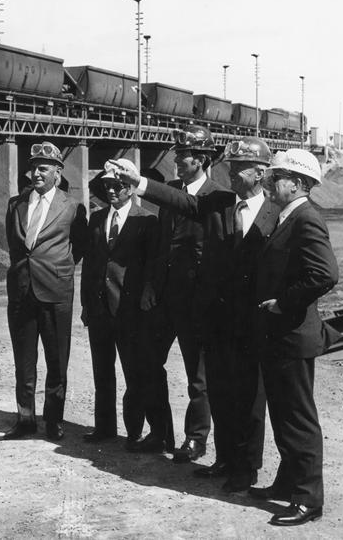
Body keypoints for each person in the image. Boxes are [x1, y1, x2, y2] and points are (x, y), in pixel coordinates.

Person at [106, 135, 277, 494]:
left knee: (239, 393)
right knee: (217, 385)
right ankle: (224, 459)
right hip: (198, 308)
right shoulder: (216, 203)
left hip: (229, 314)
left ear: (261, 174)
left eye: (236, 168)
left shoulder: (265, 211)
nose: (230, 174)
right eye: (228, 168)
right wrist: (139, 182)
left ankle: (236, 460)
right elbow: (180, 203)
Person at [251, 149, 339, 526]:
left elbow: (325, 274)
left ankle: (308, 499)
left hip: (292, 333)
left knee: (298, 418)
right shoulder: (285, 216)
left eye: (278, 177)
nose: (269, 183)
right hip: (278, 336)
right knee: (283, 414)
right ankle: (288, 484)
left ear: (299, 183)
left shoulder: (306, 219)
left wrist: (283, 303)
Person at [135, 126, 229, 460]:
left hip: (194, 300)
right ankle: (161, 433)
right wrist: (150, 285)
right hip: (163, 297)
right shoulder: (170, 191)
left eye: (183, 154)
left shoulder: (218, 197)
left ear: (201, 160)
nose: (176, 159)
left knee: (197, 375)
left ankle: (196, 439)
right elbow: (161, 246)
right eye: (176, 154)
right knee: (148, 362)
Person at [4, 141, 87, 441]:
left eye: (43, 168)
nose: (36, 173)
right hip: (22, 293)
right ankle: (25, 420)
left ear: (58, 172)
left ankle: (54, 422)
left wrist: (55, 268)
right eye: (33, 168)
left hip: (55, 293)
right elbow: (15, 246)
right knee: (23, 364)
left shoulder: (73, 206)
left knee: (56, 362)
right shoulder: (16, 204)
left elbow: (78, 247)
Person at [80, 159, 157, 449]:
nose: (111, 190)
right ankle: (104, 428)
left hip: (129, 310)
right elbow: (90, 264)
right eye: (107, 185)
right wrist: (87, 303)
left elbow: (152, 266)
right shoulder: (97, 219)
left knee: (133, 372)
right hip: (99, 309)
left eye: (118, 185)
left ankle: (134, 430)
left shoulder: (146, 220)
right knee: (102, 372)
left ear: (131, 188)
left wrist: (147, 297)